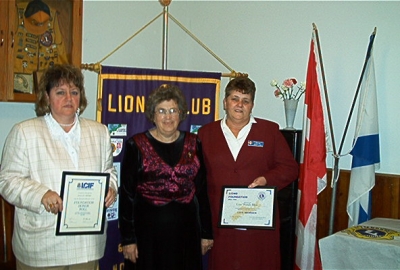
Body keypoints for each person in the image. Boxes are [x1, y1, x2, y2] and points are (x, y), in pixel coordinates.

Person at [0, 64, 118, 270]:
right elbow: (7, 181)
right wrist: (41, 195)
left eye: (74, 92)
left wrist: (111, 188)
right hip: (42, 245)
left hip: (86, 245)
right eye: (60, 92)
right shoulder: (25, 132)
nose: (69, 98)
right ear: (46, 97)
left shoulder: (99, 132)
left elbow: (109, 171)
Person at [198, 77, 299, 270]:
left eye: (246, 100)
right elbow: (198, 181)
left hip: (259, 221)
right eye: (235, 98)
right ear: (225, 102)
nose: (239, 104)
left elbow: (290, 168)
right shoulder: (206, 133)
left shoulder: (269, 131)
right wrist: (204, 228)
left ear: (252, 105)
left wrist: (266, 179)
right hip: (221, 223)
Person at [119, 84, 213, 270]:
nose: (168, 116)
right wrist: (128, 240)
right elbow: (127, 195)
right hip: (147, 234)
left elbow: (202, 191)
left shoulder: (194, 143)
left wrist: (206, 233)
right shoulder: (135, 145)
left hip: (186, 233)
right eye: (161, 111)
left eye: (173, 110)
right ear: (153, 115)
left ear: (181, 113)